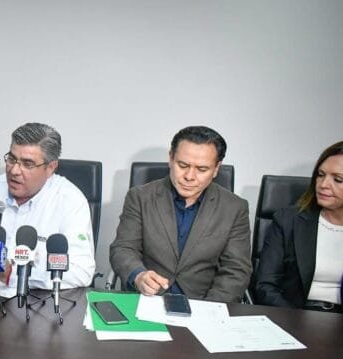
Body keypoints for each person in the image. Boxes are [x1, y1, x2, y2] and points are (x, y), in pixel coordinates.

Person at [109, 125, 251, 303]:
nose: (189, 176)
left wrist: (209, 309)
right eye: (182, 165)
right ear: (171, 158)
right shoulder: (140, 197)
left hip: (203, 303)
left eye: (202, 169)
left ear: (216, 168)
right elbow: (123, 248)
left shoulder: (235, 208)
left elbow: (236, 270)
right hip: (147, 300)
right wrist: (138, 275)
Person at [0, 122, 96, 290]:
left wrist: (13, 274)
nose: (14, 171)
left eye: (27, 164)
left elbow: (81, 271)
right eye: (12, 159)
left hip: (38, 299)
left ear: (51, 167)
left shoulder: (70, 201)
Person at [255, 142, 343, 312]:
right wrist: (294, 319)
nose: (323, 184)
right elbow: (265, 285)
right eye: (320, 175)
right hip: (295, 314)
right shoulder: (288, 220)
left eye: (338, 179)